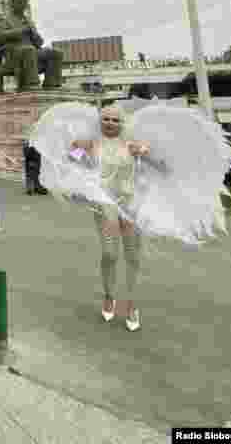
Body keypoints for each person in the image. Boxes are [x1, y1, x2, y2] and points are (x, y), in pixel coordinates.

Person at [69, 104, 151, 332]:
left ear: (122, 123)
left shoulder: (132, 144)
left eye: (115, 120)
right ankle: (109, 295)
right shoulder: (92, 144)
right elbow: (72, 160)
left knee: (133, 255)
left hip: (131, 203)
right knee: (109, 253)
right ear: (100, 120)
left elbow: (155, 164)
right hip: (104, 202)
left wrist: (145, 152)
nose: (110, 123)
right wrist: (76, 148)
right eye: (106, 119)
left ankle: (132, 304)